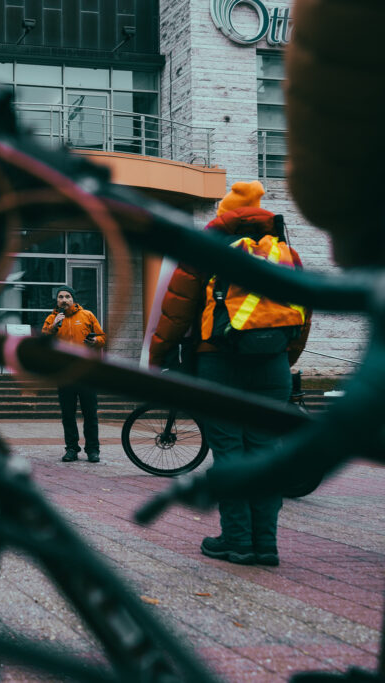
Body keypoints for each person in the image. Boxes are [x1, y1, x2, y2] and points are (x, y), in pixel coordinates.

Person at [149, 180, 311, 567]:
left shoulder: (205, 251)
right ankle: (265, 545)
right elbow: (303, 318)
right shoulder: (286, 252)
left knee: (230, 455)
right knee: (264, 455)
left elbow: (176, 311)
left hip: (219, 365)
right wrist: (282, 362)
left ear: (225, 215)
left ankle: (237, 541)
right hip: (272, 367)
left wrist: (157, 359)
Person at [41, 286, 106, 463]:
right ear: (57, 301)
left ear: (73, 299)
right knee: (68, 415)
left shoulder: (87, 315)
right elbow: (43, 342)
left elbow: (102, 338)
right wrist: (54, 327)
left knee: (90, 414)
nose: (64, 300)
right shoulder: (52, 319)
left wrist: (95, 341)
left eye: (67, 296)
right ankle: (71, 449)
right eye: (60, 297)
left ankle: (93, 450)